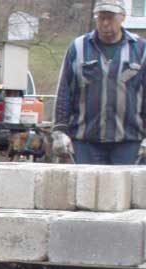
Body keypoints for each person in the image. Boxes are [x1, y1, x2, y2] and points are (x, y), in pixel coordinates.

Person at [52, 0, 146, 165]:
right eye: (100, 17)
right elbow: (64, 92)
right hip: (85, 143)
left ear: (123, 17)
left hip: (129, 142)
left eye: (110, 18)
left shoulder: (140, 50)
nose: (105, 23)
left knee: (126, 191)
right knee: (86, 190)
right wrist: (60, 131)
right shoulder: (78, 48)